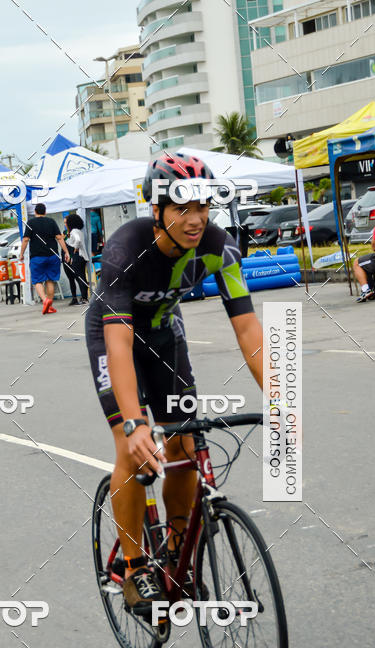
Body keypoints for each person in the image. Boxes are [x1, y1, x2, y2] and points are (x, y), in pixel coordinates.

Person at [85, 152, 264, 614]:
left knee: (184, 446)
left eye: (203, 207)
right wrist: (133, 424)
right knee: (134, 451)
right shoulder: (126, 249)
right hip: (114, 336)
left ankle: (176, 550)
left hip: (165, 335)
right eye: (183, 208)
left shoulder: (219, 248)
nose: (195, 219)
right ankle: (134, 567)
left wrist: (283, 399)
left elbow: (246, 327)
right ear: (156, 210)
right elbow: (119, 346)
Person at [19, 203, 70, 314]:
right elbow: (59, 238)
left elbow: (26, 239)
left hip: (37, 257)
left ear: (35, 212)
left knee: (37, 280)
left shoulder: (31, 223)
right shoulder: (51, 222)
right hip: (52, 256)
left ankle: (45, 300)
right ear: (45, 212)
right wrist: (66, 252)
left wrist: (21, 254)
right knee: (50, 280)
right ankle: (49, 305)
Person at [65, 213, 89, 304]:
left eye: (67, 222)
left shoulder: (74, 231)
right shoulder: (79, 231)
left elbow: (77, 240)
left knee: (80, 277)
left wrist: (75, 247)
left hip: (78, 256)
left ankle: (84, 298)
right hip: (82, 257)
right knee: (82, 276)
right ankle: (84, 297)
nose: (66, 224)